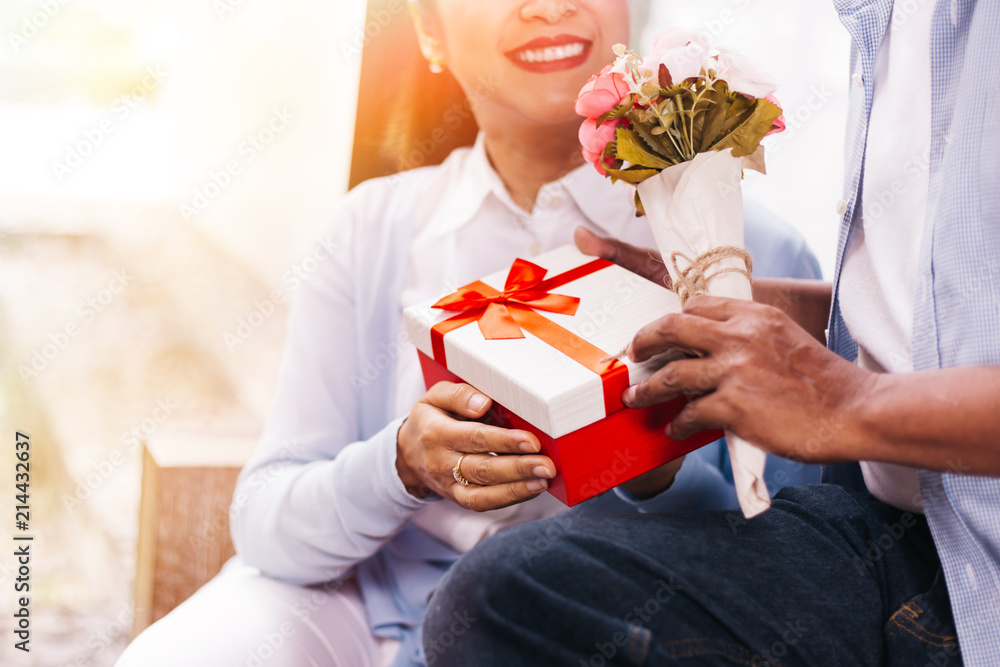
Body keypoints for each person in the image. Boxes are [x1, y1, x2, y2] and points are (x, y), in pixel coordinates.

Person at [115, 2, 823, 666]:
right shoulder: (370, 231)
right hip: (370, 613)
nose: (547, 7)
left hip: (614, 625)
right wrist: (401, 463)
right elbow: (267, 523)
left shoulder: (742, 253)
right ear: (429, 29)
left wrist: (656, 471)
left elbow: (801, 571)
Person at [423, 1, 1000, 665]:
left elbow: (758, 499)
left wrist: (846, 401)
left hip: (961, 559)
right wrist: (728, 303)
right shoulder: (886, 24)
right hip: (891, 529)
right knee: (506, 594)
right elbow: (926, 319)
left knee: (500, 595)